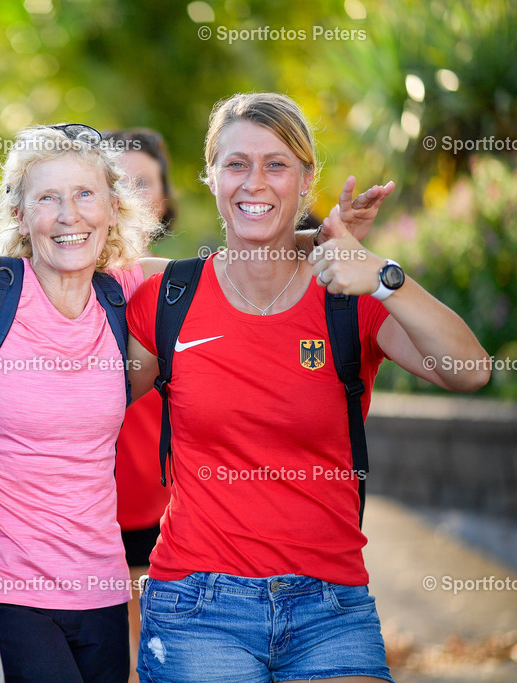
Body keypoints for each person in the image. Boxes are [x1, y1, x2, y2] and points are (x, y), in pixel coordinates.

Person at [126, 92, 490, 682]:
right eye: (236, 163)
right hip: (197, 606)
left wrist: (384, 277)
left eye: (277, 164)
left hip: (332, 608)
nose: (255, 182)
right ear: (211, 176)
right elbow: (85, 408)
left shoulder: (351, 296)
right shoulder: (169, 298)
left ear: (306, 178)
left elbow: (469, 371)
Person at [0, 123, 158, 682]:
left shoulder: (126, 293)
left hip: (103, 587)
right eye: (48, 198)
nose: (69, 215)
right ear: (19, 215)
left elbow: (231, 272)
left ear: (113, 208)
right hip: (2, 588)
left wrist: (322, 243)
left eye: (85, 194)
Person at [103, 127, 178, 683]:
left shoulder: (179, 285)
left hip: (168, 504)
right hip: (89, 504)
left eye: (143, 182)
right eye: (117, 182)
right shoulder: (58, 278)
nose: (130, 193)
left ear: (165, 199)